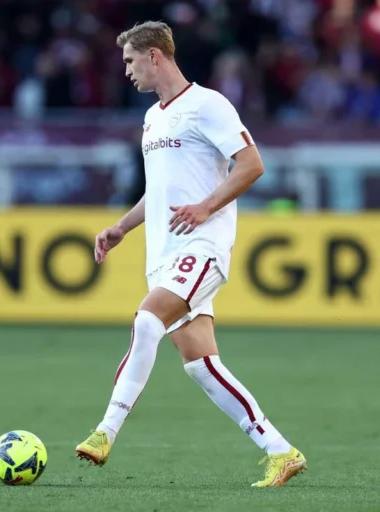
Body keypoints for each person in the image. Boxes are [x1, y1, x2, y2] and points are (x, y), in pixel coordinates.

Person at [74, 21, 307, 488]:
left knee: (146, 321)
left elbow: (252, 164)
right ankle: (281, 451)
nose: (126, 71)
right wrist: (121, 227)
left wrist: (206, 207)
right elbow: (157, 190)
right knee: (201, 365)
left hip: (202, 248)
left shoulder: (207, 104)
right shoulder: (153, 118)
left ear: (154, 56)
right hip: (162, 254)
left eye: (129, 61)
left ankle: (106, 431)